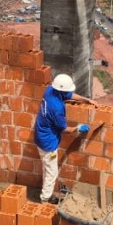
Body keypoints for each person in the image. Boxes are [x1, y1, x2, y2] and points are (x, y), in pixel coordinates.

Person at [34, 73, 93, 204]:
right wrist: (78, 128)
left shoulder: (50, 90)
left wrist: (86, 100)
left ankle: (46, 194)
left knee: (47, 168)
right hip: (47, 142)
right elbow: (64, 130)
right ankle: (45, 199)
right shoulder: (56, 108)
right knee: (52, 172)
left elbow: (68, 95)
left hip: (40, 135)